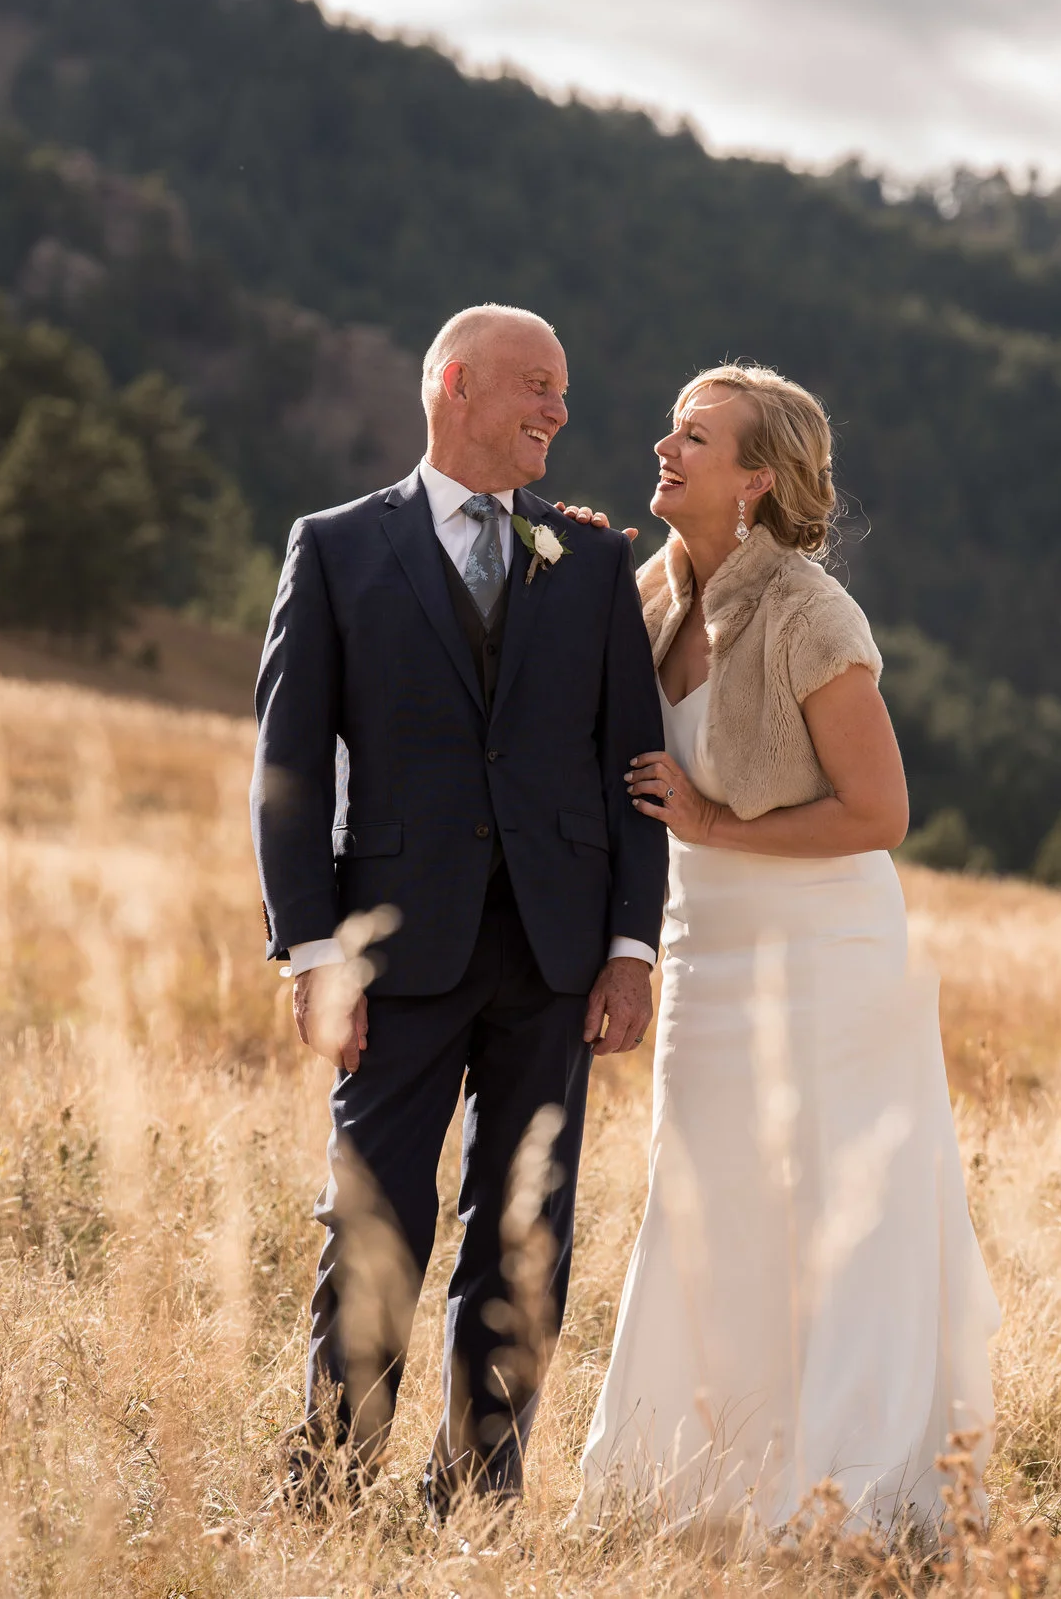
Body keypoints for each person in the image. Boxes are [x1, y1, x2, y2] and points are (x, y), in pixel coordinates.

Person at [567, 364, 1002, 1536]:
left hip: (829, 953)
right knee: (703, 1197)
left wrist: (712, 822)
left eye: (695, 435)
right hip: (704, 943)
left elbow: (880, 812)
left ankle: (834, 1497)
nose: (664, 444)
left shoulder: (812, 614)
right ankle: (684, 1482)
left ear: (754, 480)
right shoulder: (655, 590)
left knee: (830, 1208)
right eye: (671, 426)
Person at [250, 305, 669, 1512]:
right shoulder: (334, 548)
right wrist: (313, 951)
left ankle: (479, 1489)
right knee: (371, 1217)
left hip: (554, 954)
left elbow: (629, 766)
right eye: (536, 385)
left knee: (524, 1227)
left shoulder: (588, 559)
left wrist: (631, 944)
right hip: (393, 953)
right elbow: (286, 765)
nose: (559, 410)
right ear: (454, 388)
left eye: (564, 391)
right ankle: (329, 1484)